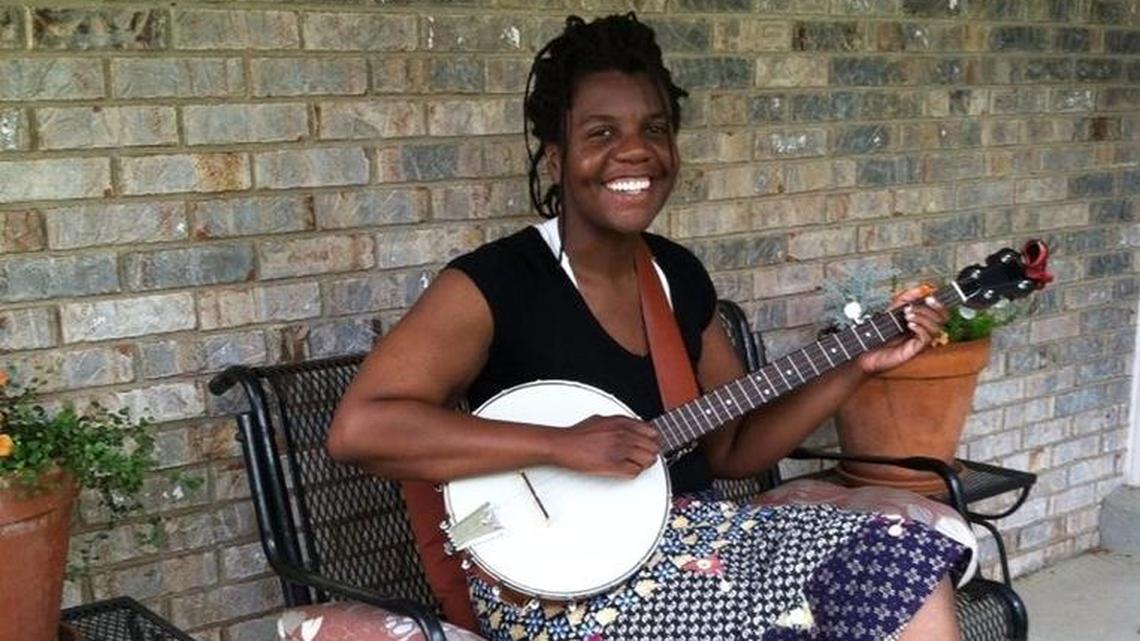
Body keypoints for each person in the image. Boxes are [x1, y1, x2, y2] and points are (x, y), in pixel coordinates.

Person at [329, 13, 965, 641]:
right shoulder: (494, 284)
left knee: (903, 554)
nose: (634, 150)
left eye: (653, 129)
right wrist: (562, 445)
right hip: (555, 582)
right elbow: (361, 429)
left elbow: (735, 447)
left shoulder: (677, 277)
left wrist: (854, 366)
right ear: (558, 157)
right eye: (602, 132)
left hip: (690, 539)